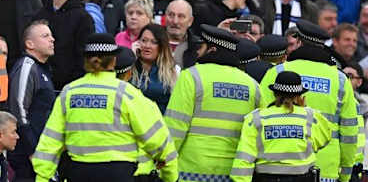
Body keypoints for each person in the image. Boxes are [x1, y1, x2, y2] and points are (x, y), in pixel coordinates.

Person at [31, 33, 179, 182]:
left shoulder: (69, 93)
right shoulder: (127, 94)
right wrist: (171, 177)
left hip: (78, 173)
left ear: (86, 60)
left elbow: (50, 141)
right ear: (114, 61)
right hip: (120, 174)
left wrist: (42, 177)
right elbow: (159, 141)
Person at [259, 19, 359, 182]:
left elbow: (259, 117)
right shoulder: (340, 80)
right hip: (325, 169)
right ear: (323, 46)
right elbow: (349, 132)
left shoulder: (279, 71)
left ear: (298, 41)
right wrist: (346, 173)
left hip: (280, 166)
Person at [165, 25, 260, 182]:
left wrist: (163, 164)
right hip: (234, 172)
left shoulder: (191, 76)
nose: (196, 51)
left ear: (212, 49)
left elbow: (175, 126)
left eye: (201, 46)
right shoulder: (252, 85)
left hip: (192, 171)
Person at [230, 70, 333, 181]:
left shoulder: (256, 118)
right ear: (299, 96)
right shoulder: (310, 117)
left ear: (274, 93)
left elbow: (244, 159)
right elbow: (324, 139)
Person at [33, 0, 95, 89]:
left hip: (70, 87)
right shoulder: (40, 15)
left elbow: (84, 58)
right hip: (41, 84)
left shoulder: (83, 18)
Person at [7, 20, 55, 182]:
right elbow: (18, 109)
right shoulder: (27, 67)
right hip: (28, 153)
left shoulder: (44, 69)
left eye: (51, 35)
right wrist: (32, 149)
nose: (52, 39)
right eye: (45, 36)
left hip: (42, 149)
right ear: (30, 44)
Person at [132, 24, 178, 113]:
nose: (147, 46)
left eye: (154, 42)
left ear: (161, 46)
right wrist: (130, 58)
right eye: (144, 40)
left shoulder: (173, 71)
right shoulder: (128, 68)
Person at [165, 0, 194, 68]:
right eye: (171, 15)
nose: (175, 21)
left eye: (181, 16)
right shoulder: (153, 41)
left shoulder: (198, 48)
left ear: (190, 21)